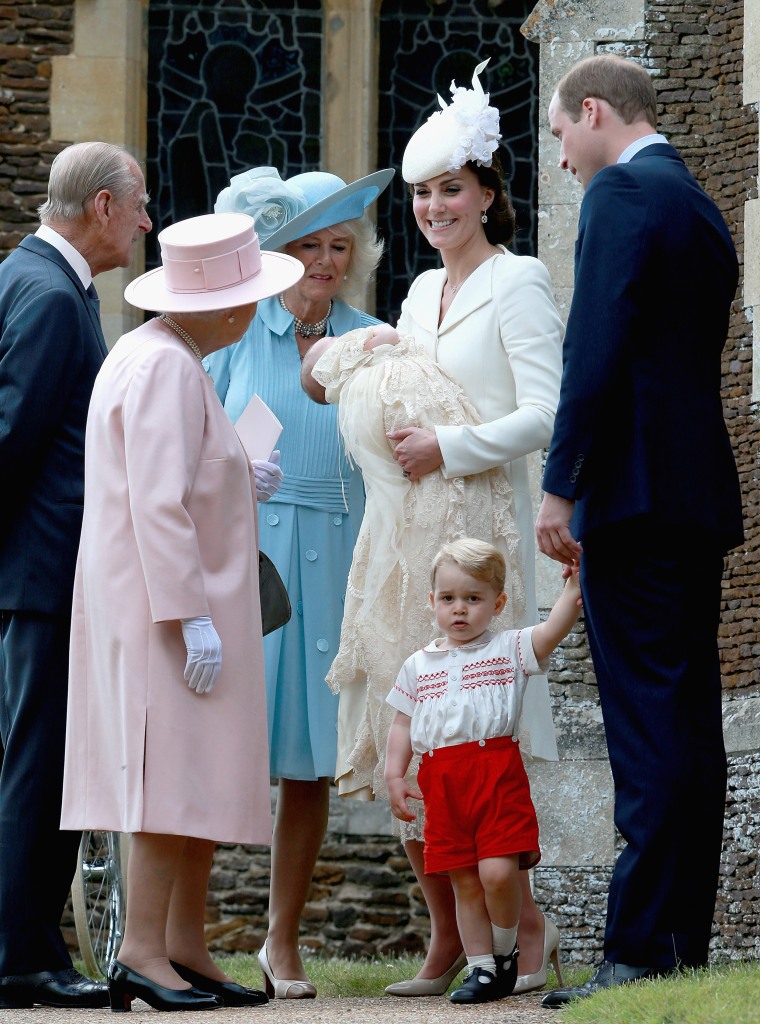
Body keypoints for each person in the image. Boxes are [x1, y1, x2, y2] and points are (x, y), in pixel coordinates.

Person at [303, 58, 565, 996]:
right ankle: (446, 940)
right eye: (419, 193)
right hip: (399, 531)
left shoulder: (520, 280)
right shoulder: (415, 295)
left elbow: (546, 412)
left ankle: (522, 933)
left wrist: (448, 447)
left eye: (450, 188)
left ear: (488, 192)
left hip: (474, 529)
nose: (433, 207)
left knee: (473, 741)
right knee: (408, 733)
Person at [535, 55, 744, 1006]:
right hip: (694, 494)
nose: (563, 153)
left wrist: (561, 485)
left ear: (593, 112)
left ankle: (639, 950)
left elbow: (596, 345)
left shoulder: (621, 193)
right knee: (689, 720)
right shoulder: (698, 205)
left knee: (648, 722)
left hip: (634, 491)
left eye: (560, 133)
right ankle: (681, 941)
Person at [60, 212, 304, 1012]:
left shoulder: (163, 355)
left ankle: (184, 944)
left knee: (194, 776)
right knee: (167, 777)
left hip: (175, 601)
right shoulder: (164, 365)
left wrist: (239, 474)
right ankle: (140, 951)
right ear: (220, 305)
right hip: (167, 608)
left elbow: (181, 474)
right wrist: (187, 613)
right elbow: (157, 504)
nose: (252, 311)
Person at [205, 165, 393, 999]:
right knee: (217, 750)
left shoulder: (374, 337)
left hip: (347, 557)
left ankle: (281, 944)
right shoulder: (235, 336)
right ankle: (182, 934)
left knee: (311, 766)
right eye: (308, 244)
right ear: (279, 251)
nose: (324, 260)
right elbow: (191, 441)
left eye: (339, 245)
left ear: (357, 254)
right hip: (252, 561)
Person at [0, 141, 151, 1010]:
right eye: (137, 207)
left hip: (35, 573)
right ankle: (23, 955)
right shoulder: (55, 296)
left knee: (31, 762)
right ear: (101, 207)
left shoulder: (28, 276)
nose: (143, 223)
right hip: (44, 574)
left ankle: (23, 944)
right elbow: (14, 437)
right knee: (39, 768)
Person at [385, 539, 581, 1004]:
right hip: (442, 782)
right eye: (449, 599)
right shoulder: (418, 665)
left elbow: (553, 629)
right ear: (432, 602)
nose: (460, 610)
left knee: (497, 873)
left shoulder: (509, 648)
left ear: (498, 603)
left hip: (495, 775)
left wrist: (574, 588)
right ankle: (481, 970)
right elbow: (401, 723)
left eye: (473, 599)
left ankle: (504, 951)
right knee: (464, 881)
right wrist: (396, 775)